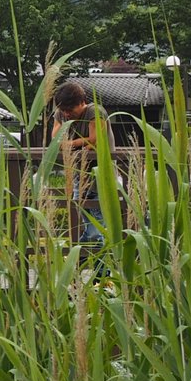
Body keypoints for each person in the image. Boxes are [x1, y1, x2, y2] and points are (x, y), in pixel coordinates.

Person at [52, 80, 114, 253]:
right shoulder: (62, 113)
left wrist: (70, 144)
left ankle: (81, 260)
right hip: (80, 176)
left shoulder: (95, 111)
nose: (67, 114)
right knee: (92, 224)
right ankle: (84, 261)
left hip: (101, 175)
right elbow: (56, 138)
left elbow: (95, 140)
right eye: (63, 110)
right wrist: (80, 144)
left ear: (82, 102)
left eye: (70, 110)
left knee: (99, 227)